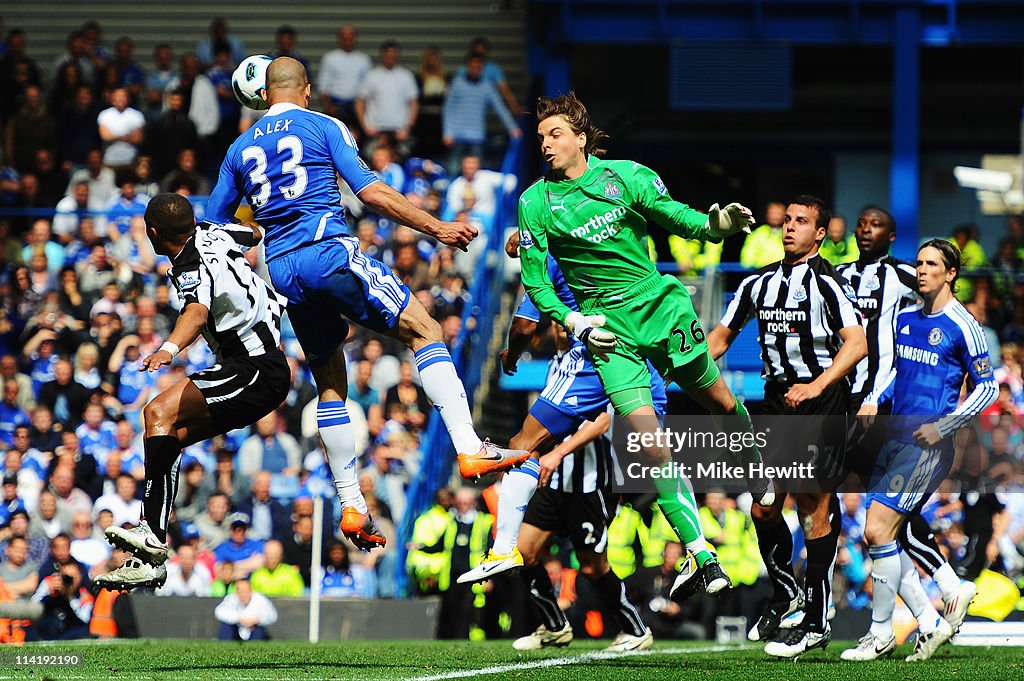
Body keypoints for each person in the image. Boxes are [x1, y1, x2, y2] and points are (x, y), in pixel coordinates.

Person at [205, 57, 526, 551]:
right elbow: (370, 192)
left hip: (283, 269)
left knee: (331, 381)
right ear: (306, 90)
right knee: (426, 330)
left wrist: (260, 229)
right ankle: (468, 447)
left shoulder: (238, 149)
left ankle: (352, 505)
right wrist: (436, 228)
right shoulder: (323, 125)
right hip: (327, 250)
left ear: (266, 95)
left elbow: (215, 227)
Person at [504, 92, 767, 597]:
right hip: (606, 330)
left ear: (581, 137)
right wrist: (573, 322)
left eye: (555, 134)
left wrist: (715, 226)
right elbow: (536, 286)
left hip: (658, 308)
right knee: (650, 444)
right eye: (540, 137)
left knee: (719, 400)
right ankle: (702, 554)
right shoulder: (534, 203)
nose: (545, 144)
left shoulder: (626, 175)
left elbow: (680, 219)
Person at [92, 193, 290, 591]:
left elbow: (196, 312)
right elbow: (254, 232)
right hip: (255, 364)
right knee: (169, 434)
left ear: (152, 233)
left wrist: (167, 349)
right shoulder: (214, 232)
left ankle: (151, 535)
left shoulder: (186, 263)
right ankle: (151, 553)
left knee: (156, 413)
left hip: (255, 367)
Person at [707, 196, 868, 657]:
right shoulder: (758, 284)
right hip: (777, 401)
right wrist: (677, 367)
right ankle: (785, 594)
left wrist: (817, 386)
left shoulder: (829, 284)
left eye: (803, 222)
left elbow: (856, 345)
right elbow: (719, 338)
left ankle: (816, 621)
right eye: (789, 221)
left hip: (823, 399)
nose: (791, 228)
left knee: (814, 503)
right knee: (763, 507)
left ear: (820, 234)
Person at [842, 239, 997, 662]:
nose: (922, 269)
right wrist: (875, 398)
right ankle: (935, 614)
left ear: (951, 274)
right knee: (896, 533)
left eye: (932, 264)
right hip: (892, 441)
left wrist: (944, 425)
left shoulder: (963, 325)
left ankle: (880, 633)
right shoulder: (905, 317)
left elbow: (988, 387)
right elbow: (894, 370)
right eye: (919, 262)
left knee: (877, 530)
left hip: (927, 447)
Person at [441, 50, 520, 175]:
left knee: (476, 175)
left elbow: (500, 108)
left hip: (477, 137)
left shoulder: (487, 86)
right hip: (457, 136)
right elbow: (448, 109)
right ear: (467, 67)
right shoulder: (457, 84)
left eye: (478, 67)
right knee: (453, 171)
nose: (475, 69)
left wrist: (512, 128)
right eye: (472, 66)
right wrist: (447, 132)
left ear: (482, 68)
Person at [317, 26, 371, 133]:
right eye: (344, 37)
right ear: (339, 39)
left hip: (357, 108)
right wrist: (330, 108)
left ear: (355, 39)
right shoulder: (330, 58)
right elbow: (323, 86)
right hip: (337, 107)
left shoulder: (363, 60)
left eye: (350, 37)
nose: (347, 40)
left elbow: (369, 86)